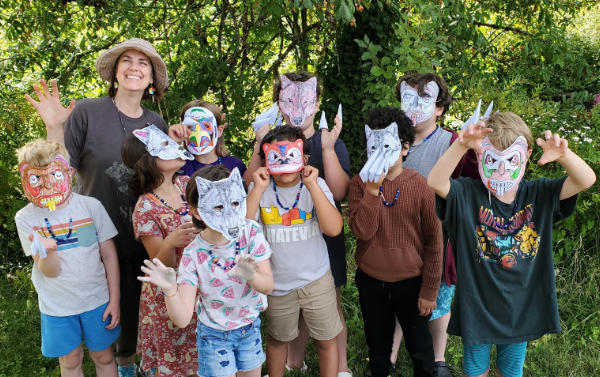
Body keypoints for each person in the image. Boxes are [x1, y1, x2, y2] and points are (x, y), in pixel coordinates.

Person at [25, 38, 181, 377]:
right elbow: (61, 170)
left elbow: (170, 173)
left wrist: (179, 138)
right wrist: (54, 126)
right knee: (101, 308)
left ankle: (132, 361)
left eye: (144, 63)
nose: (135, 67)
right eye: (128, 60)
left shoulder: (155, 122)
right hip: (94, 234)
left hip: (146, 233)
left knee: (141, 304)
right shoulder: (88, 112)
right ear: (115, 72)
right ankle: (99, 362)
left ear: (151, 77)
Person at [427, 112, 596, 377]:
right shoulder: (467, 194)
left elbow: (586, 180)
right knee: (475, 371)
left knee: (511, 372)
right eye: (492, 160)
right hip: (477, 308)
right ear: (479, 156)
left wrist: (564, 156)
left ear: (527, 154)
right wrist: (461, 144)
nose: (502, 170)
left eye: (511, 161)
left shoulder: (539, 194)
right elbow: (435, 182)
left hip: (522, 310)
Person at [244, 71, 352, 377]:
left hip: (317, 278)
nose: (282, 161)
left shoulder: (314, 185)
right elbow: (244, 230)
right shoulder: (261, 190)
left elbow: (333, 228)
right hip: (276, 283)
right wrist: (259, 187)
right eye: (274, 155)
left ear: (303, 157)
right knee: (278, 339)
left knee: (326, 338)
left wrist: (315, 186)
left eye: (290, 155)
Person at [139, 165, 274, 377]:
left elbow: (268, 286)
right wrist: (170, 289)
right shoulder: (194, 254)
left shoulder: (251, 233)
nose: (229, 211)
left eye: (236, 202)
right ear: (197, 212)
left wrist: (251, 275)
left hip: (249, 329)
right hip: (213, 337)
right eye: (218, 207)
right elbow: (182, 318)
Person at [391, 72, 479, 377]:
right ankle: (389, 356)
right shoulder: (391, 139)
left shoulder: (451, 142)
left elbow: (472, 178)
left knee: (438, 298)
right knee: (399, 294)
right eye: (408, 99)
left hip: (437, 236)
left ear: (439, 108)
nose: (415, 106)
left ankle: (437, 357)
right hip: (397, 235)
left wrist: (476, 149)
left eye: (424, 99)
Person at [348, 107, 443, 377]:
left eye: (386, 145)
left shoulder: (421, 186)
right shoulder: (359, 185)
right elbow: (363, 232)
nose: (378, 152)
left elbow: (434, 241)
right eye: (373, 145)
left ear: (404, 148)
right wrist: (371, 191)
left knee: (420, 348)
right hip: (371, 281)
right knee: (377, 345)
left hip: (411, 283)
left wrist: (429, 291)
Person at [14, 139, 121, 377]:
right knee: (70, 361)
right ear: (25, 181)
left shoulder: (91, 207)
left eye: (54, 174)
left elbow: (109, 255)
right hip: (57, 307)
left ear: (69, 172)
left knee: (103, 356)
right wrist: (47, 253)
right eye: (36, 178)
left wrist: (114, 299)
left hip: (97, 300)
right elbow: (49, 272)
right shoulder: (25, 219)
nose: (47, 184)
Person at [122, 125, 199, 377]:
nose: (176, 150)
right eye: (165, 146)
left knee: (202, 353)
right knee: (177, 359)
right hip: (169, 291)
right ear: (149, 160)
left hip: (199, 282)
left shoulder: (187, 185)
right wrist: (170, 243)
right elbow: (157, 262)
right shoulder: (145, 208)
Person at [175, 99, 246, 178]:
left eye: (206, 126)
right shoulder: (179, 167)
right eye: (190, 126)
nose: (198, 131)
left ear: (219, 131)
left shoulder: (234, 166)